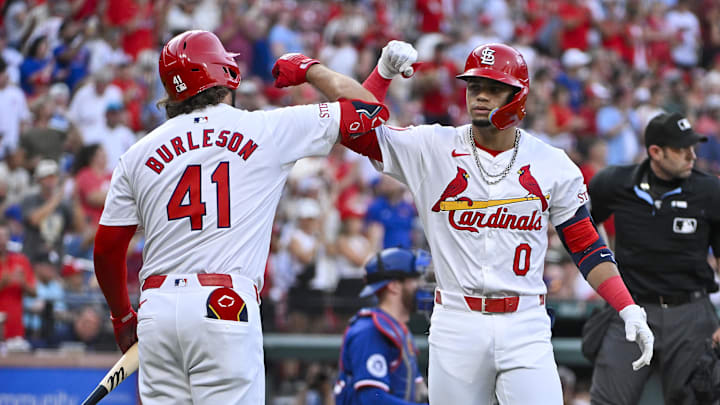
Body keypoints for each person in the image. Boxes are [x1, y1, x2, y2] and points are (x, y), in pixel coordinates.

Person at [328, 41, 656, 404]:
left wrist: (627, 307)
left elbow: (587, 246)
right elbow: (356, 132)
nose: (480, 97)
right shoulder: (432, 145)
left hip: (525, 321)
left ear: (518, 97)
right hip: (457, 319)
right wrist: (383, 74)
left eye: (494, 88)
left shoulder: (552, 163)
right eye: (474, 87)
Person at [92, 30, 389, 404]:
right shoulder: (266, 128)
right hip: (224, 305)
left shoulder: (136, 153)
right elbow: (369, 111)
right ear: (226, 73)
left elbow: (106, 249)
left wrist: (122, 317)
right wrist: (311, 70)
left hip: (158, 308)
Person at [587, 111, 720, 405]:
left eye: (693, 147)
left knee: (698, 398)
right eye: (682, 149)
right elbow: (578, 224)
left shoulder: (710, 191)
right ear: (655, 152)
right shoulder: (615, 183)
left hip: (690, 310)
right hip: (631, 308)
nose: (692, 156)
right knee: (607, 400)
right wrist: (602, 260)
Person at [335, 247, 430, 405]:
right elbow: (372, 399)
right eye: (415, 279)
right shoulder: (370, 330)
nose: (420, 286)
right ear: (394, 286)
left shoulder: (398, 328)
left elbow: (419, 390)